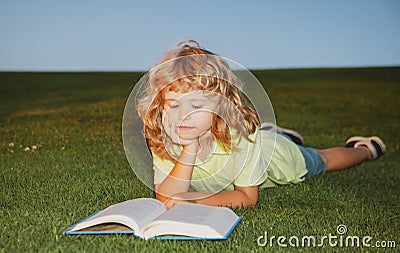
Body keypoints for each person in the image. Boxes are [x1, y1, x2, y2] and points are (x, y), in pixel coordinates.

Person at [136, 40, 386, 209]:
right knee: (263, 137)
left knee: (320, 160)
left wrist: (196, 202)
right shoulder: (164, 136)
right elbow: (167, 196)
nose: (183, 117)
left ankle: (365, 149)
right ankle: (274, 132)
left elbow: (246, 196)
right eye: (174, 105)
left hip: (276, 158)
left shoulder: (242, 138)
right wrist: (189, 150)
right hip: (255, 143)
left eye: (197, 106)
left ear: (220, 107)